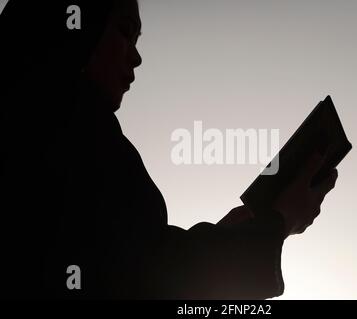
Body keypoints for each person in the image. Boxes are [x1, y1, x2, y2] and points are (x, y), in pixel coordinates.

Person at [0, 0, 338, 299]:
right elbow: (152, 277)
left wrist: (225, 238)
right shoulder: (71, 132)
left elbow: (138, 258)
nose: (136, 57)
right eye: (124, 31)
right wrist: (278, 222)